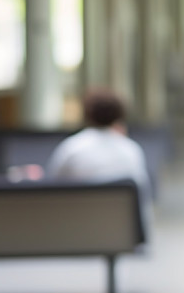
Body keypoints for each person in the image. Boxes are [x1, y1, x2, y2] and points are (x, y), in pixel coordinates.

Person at [47, 88, 153, 234]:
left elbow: (53, 184)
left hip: (76, 230)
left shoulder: (72, 148)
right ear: (119, 115)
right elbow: (143, 192)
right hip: (122, 233)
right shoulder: (131, 149)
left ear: (87, 114)